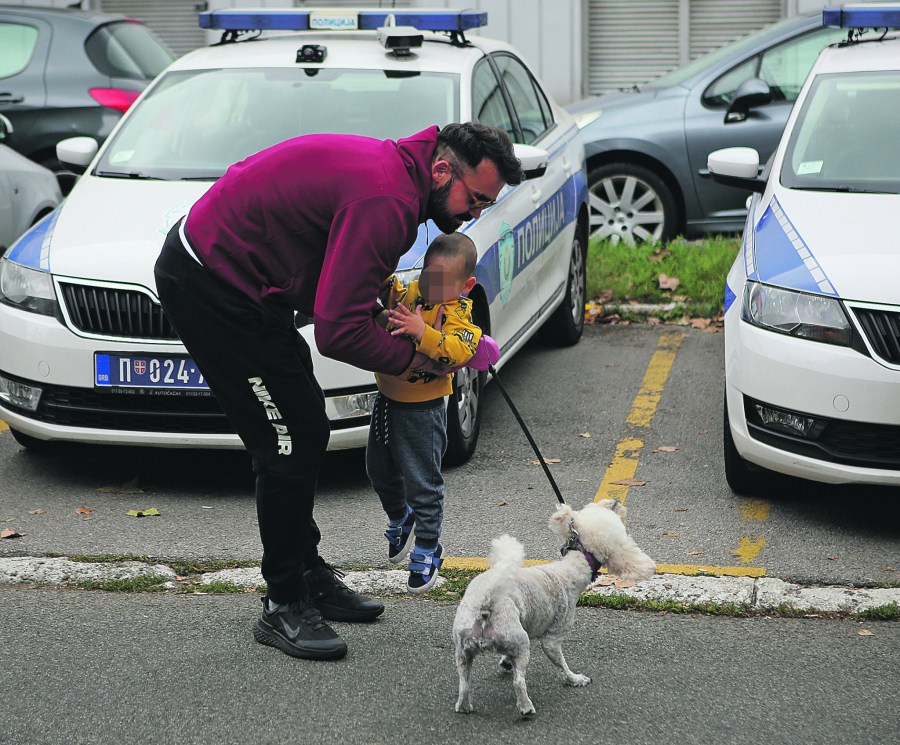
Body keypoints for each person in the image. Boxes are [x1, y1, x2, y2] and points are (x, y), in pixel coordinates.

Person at [153, 123, 524, 661]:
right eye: (476, 199)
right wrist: (416, 361)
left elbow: (349, 288)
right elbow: (337, 330)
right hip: (212, 283)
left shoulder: (397, 180)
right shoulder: (390, 200)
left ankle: (307, 574)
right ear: (443, 171)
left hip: (246, 286)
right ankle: (283, 602)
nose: (475, 214)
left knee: (303, 424)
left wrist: (396, 323)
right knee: (290, 436)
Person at [369, 232, 485, 594]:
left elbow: (459, 350)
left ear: (466, 285)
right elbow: (386, 289)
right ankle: (401, 519)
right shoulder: (411, 293)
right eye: (426, 277)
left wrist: (422, 332)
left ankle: (428, 547)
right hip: (386, 399)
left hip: (422, 410)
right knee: (379, 470)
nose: (429, 287)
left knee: (423, 484)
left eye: (441, 283)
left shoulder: (459, 315)